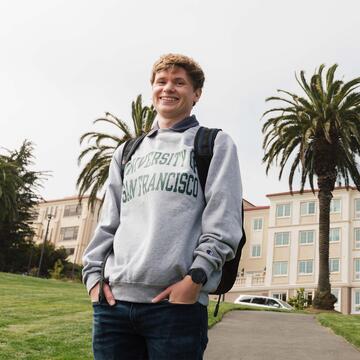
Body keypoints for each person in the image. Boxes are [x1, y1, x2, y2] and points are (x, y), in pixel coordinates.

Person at [82, 53, 243, 360]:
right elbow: (108, 222)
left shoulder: (213, 144)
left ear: (196, 94)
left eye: (179, 82)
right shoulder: (127, 152)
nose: (168, 88)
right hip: (114, 306)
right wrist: (92, 279)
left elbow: (223, 222)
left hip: (176, 308)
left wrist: (195, 280)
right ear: (152, 89)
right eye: (161, 81)